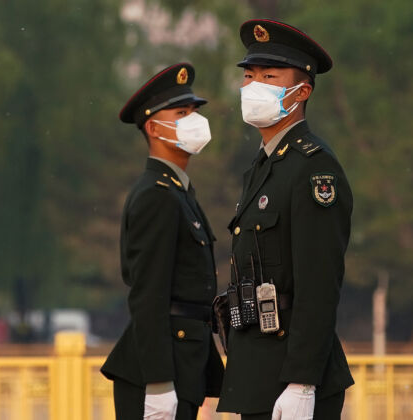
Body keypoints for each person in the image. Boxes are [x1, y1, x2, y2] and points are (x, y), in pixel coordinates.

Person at [216, 19, 354, 420]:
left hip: (290, 379)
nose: (253, 85)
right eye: (248, 75)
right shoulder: (265, 166)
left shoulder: (313, 170)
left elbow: (318, 283)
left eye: (269, 76)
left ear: (301, 91)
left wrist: (302, 382)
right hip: (259, 372)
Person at [101, 63, 224, 420]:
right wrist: (158, 383)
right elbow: (149, 293)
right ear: (153, 128)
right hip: (161, 368)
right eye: (182, 113)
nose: (194, 120)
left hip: (182, 359)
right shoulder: (158, 196)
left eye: (195, 112)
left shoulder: (178, 191)